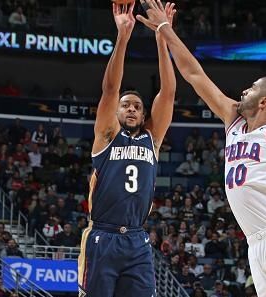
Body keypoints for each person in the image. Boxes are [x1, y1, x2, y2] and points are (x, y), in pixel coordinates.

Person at [137, 1, 266, 295]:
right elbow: (194, 74)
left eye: (252, 87)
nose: (244, 90)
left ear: (264, 101)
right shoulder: (233, 118)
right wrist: (166, 31)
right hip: (255, 243)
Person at [77, 2, 176, 297]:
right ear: (116, 112)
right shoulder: (106, 136)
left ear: (143, 115)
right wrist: (123, 36)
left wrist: (162, 37)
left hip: (137, 238)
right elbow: (110, 89)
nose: (131, 108)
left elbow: (168, 93)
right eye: (126, 105)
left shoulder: (152, 139)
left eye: (137, 106)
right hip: (102, 236)